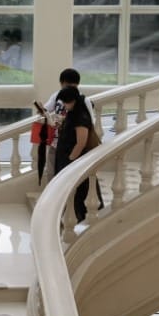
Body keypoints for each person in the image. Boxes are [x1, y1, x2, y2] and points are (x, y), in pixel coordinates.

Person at [53, 85, 104, 222]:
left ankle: (78, 217)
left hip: (74, 160)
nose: (64, 105)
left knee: (78, 190)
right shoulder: (73, 112)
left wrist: (71, 161)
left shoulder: (80, 117)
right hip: (67, 157)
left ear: (73, 100)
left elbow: (81, 143)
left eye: (65, 102)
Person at [36, 68, 95, 185]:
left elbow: (89, 123)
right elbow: (46, 110)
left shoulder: (84, 101)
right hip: (56, 142)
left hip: (71, 145)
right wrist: (42, 110)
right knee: (52, 173)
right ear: (62, 84)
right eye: (66, 85)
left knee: (67, 177)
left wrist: (71, 158)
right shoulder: (57, 95)